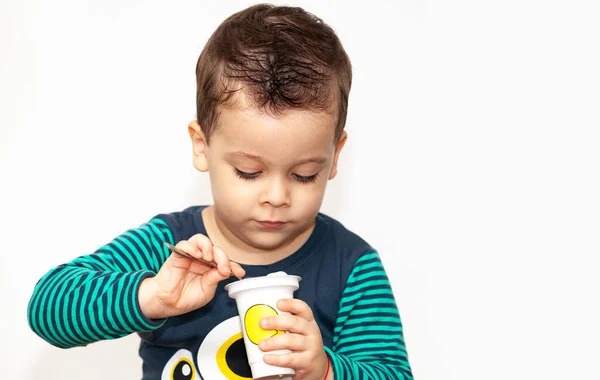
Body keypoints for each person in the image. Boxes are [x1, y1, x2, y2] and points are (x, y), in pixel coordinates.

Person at [27, 4, 413, 379]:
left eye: (304, 174)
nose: (276, 196)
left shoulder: (351, 267)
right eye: (249, 172)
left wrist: (326, 370)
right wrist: (153, 295)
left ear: (334, 157)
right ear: (202, 145)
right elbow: (47, 308)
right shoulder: (168, 248)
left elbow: (393, 374)